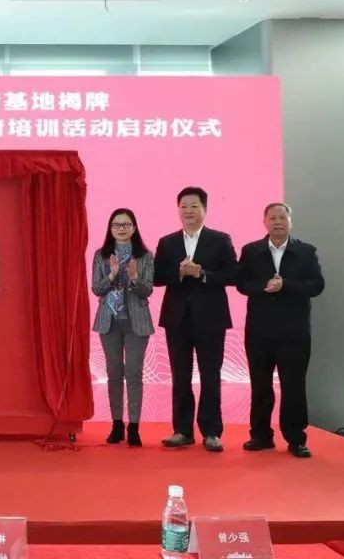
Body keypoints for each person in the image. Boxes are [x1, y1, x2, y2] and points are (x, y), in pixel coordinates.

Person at [237, 202, 325, 458]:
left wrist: (286, 285)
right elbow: (241, 283)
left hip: (294, 333)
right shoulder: (251, 251)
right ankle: (260, 435)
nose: (277, 222)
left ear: (290, 222)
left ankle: (296, 439)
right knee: (260, 386)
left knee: (293, 386)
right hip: (259, 331)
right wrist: (264, 286)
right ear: (264, 222)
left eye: (282, 218)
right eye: (273, 218)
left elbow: (317, 285)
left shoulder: (306, 252)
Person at [154, 186, 238, 452]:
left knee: (210, 375)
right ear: (178, 210)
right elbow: (156, 277)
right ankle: (182, 430)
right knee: (180, 376)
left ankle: (211, 432)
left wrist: (202, 274)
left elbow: (233, 275)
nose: (188, 211)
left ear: (205, 209)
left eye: (194, 206)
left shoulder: (220, 239)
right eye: (184, 206)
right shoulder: (167, 242)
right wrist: (178, 272)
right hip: (177, 319)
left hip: (211, 319)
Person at [90, 208, 155, 447]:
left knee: (134, 374)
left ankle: (134, 427)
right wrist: (112, 275)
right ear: (110, 228)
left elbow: (147, 290)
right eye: (116, 224)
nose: (121, 228)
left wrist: (135, 278)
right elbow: (96, 289)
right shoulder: (101, 255)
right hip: (109, 322)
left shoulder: (145, 256)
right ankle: (117, 424)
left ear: (134, 228)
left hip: (137, 323)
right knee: (114, 374)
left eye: (126, 224)